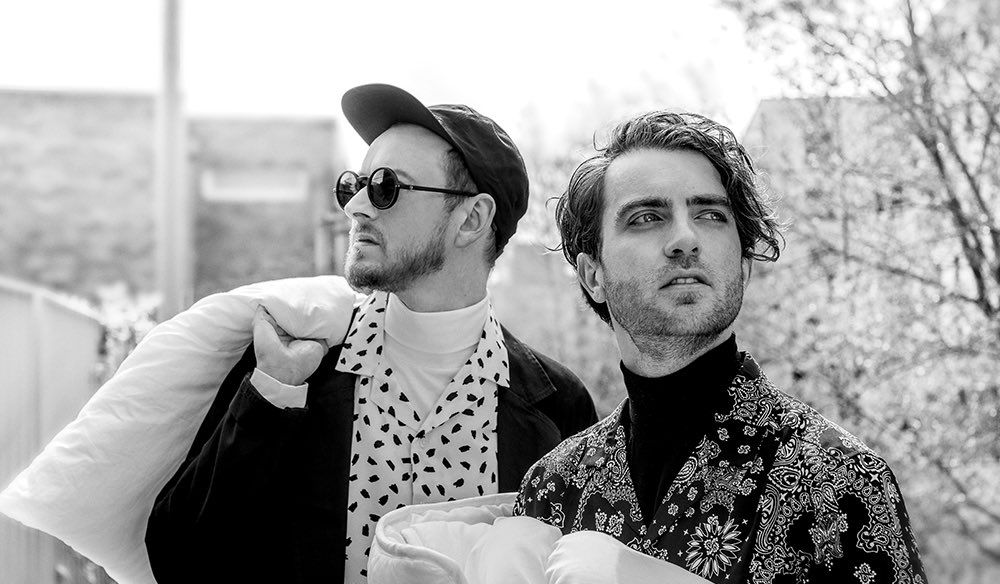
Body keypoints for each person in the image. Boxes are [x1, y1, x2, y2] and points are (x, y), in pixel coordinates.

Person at [145, 84, 597, 584]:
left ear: (472, 219)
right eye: (353, 186)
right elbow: (178, 560)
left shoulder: (558, 409)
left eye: (385, 187)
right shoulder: (291, 367)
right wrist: (272, 396)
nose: (356, 207)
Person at [514, 111, 926, 583]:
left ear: (744, 265)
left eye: (710, 215)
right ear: (593, 276)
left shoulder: (839, 480)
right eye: (647, 217)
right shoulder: (553, 491)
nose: (685, 239)